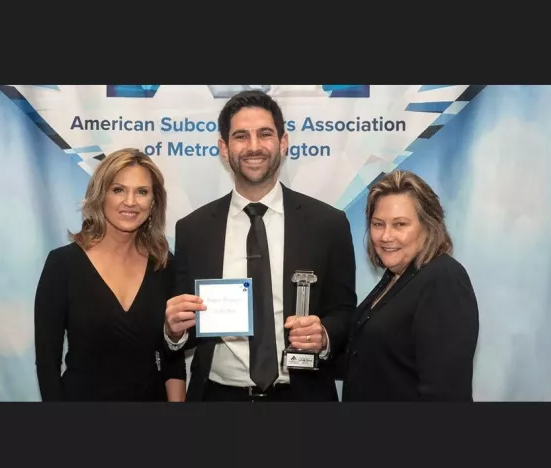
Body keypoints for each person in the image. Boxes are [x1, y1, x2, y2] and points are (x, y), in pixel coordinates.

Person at [163, 90, 357, 401]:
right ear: (224, 149)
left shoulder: (328, 224)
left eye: (264, 134)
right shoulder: (193, 229)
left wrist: (325, 335)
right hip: (218, 398)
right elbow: (187, 327)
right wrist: (175, 331)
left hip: (303, 399)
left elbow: (345, 312)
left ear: (283, 142)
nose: (254, 146)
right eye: (241, 136)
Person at [34, 148, 186, 401]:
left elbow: (173, 358)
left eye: (142, 191)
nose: (130, 201)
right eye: (118, 190)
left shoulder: (164, 264)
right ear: (100, 195)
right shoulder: (63, 264)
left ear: (154, 202)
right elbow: (47, 364)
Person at [340, 169, 479, 401]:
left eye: (400, 224)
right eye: (378, 224)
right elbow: (373, 360)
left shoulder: (444, 279)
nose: (386, 236)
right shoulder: (394, 277)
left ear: (428, 226)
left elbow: (444, 394)